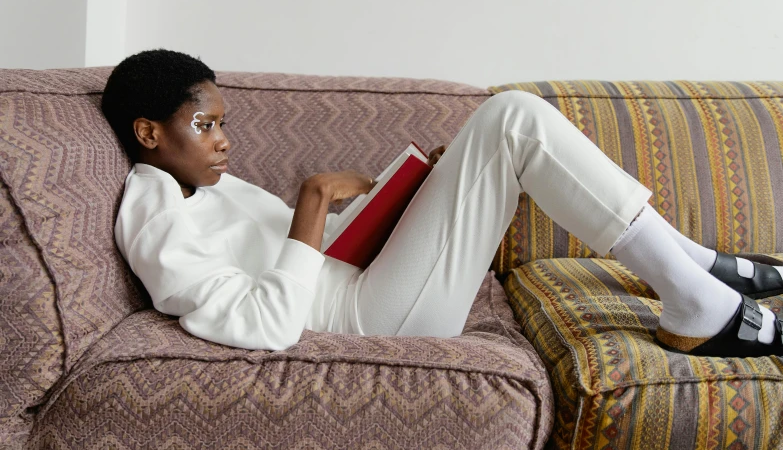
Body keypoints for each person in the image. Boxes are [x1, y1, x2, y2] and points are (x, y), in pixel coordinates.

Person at [102, 49, 783, 358]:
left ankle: (692, 269)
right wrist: (311, 204)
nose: (223, 142)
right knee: (511, 118)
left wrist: (402, 202)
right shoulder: (154, 213)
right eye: (205, 125)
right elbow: (271, 323)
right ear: (148, 133)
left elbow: (304, 261)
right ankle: (695, 294)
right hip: (370, 320)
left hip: (369, 286)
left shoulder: (204, 186)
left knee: (504, 128)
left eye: (222, 123)